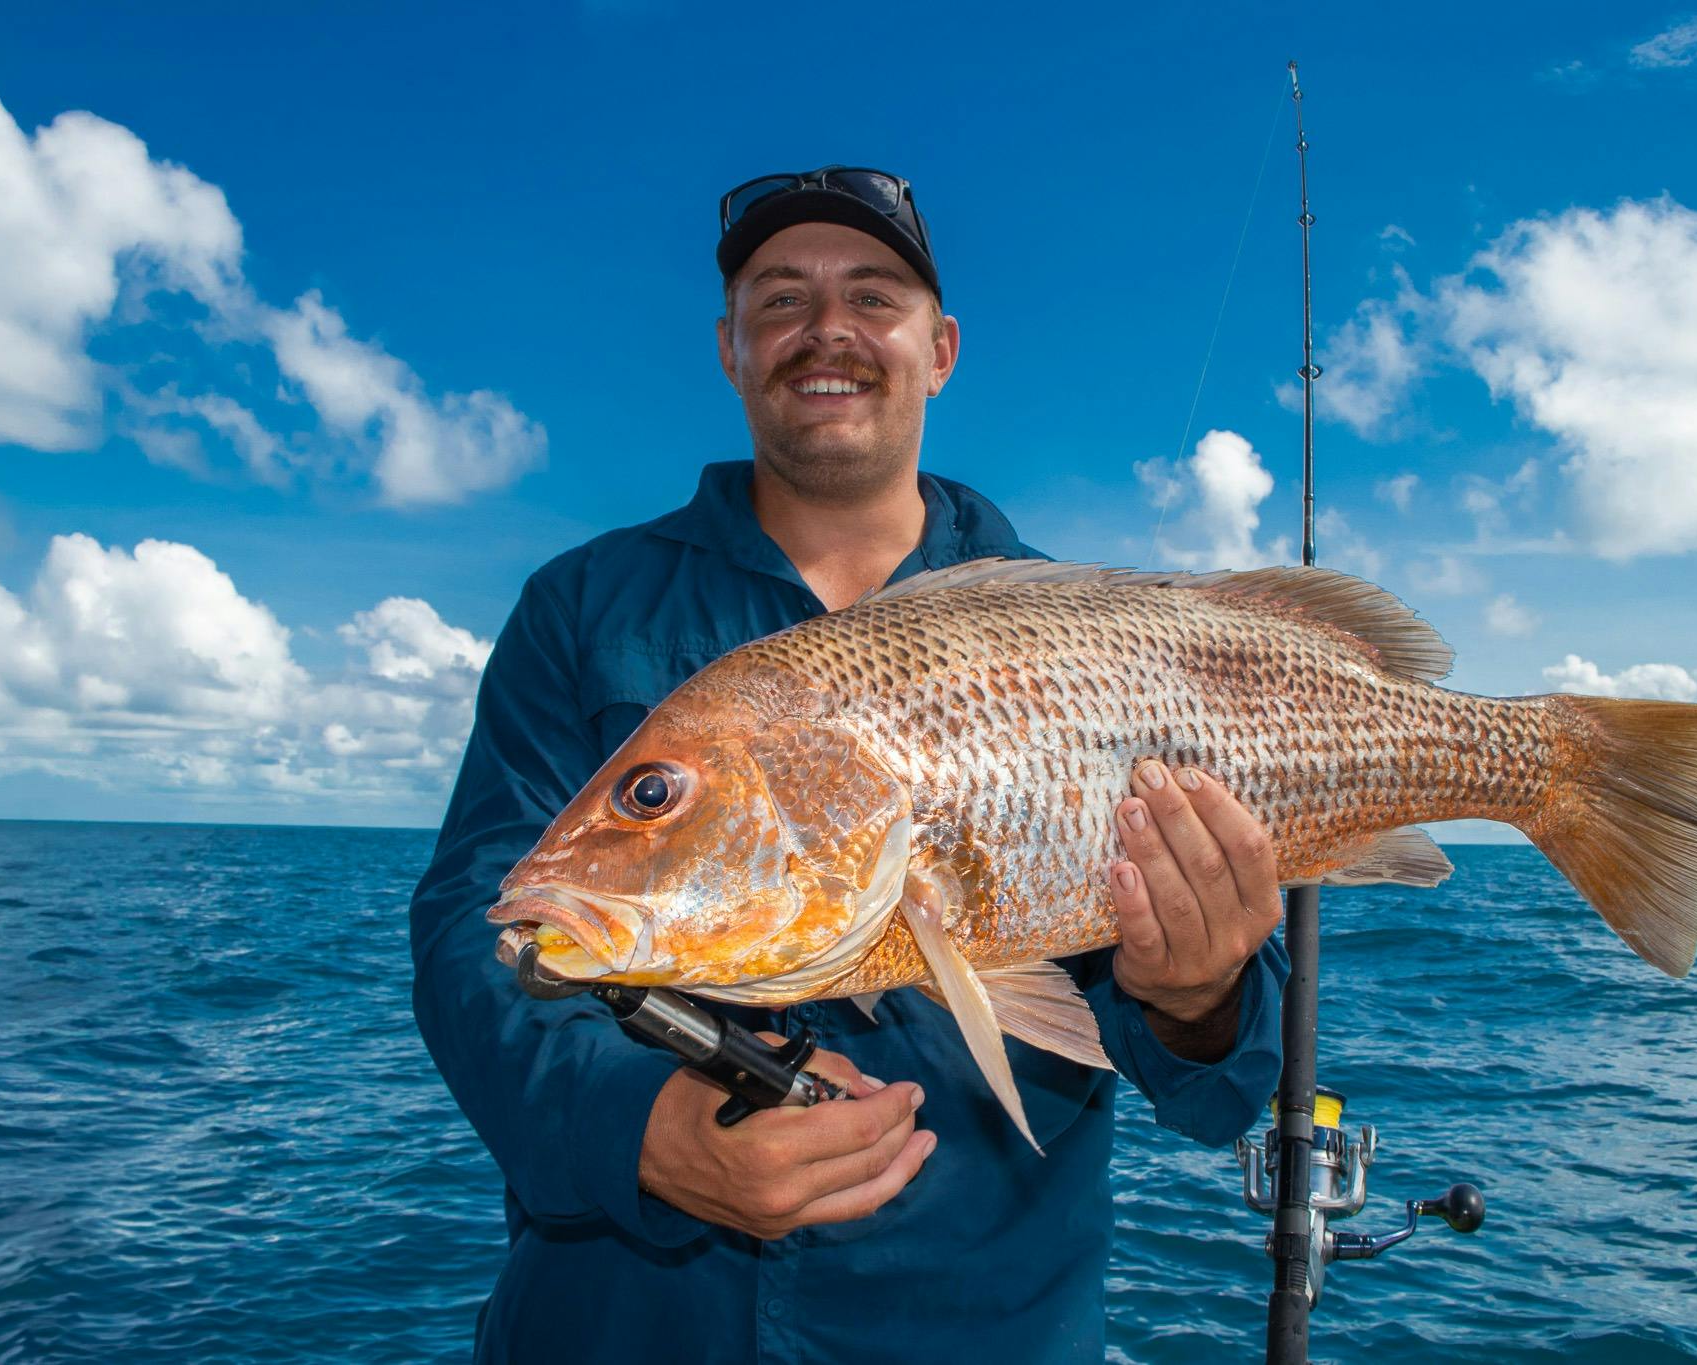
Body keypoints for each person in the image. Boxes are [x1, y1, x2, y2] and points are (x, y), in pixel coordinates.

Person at [410, 166, 1291, 1364]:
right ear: (729, 348)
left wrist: (1197, 997)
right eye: (780, 300)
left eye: (873, 296)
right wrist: (642, 1128)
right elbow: (482, 930)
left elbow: (1215, 1084)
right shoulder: (580, 608)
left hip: (985, 1326)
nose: (825, 330)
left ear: (941, 348)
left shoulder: (1095, 638)